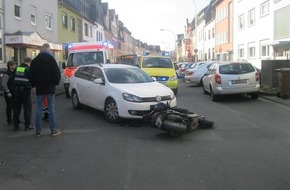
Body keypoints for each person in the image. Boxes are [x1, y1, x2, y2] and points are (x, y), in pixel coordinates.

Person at [30, 43, 61, 137]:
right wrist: (55, 83)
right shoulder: (51, 60)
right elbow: (57, 74)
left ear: (41, 50)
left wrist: (34, 86)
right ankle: (53, 130)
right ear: (48, 50)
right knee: (51, 108)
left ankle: (38, 131)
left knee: (39, 108)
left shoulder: (34, 61)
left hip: (39, 88)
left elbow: (31, 75)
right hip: (50, 88)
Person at [13, 57, 34, 131]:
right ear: (30, 62)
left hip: (17, 91)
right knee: (27, 108)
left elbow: (14, 78)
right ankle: (27, 126)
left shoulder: (17, 68)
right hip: (25, 91)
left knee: (16, 108)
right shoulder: (28, 69)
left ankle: (16, 126)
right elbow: (32, 80)